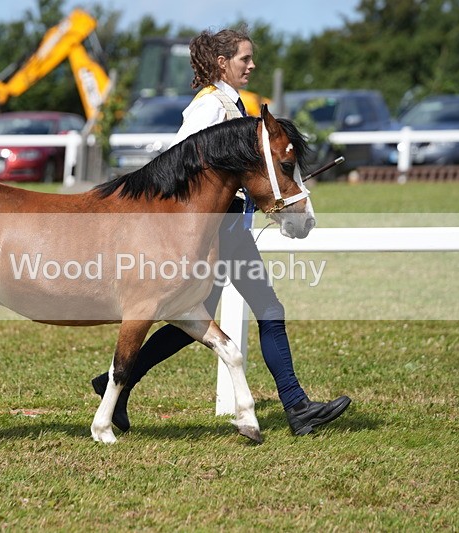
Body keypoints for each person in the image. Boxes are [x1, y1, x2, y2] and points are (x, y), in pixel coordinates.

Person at [92, 27, 351, 436]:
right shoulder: (208, 108)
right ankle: (297, 407)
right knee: (265, 310)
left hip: (227, 228)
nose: (252, 65)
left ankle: (113, 385)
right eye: (244, 59)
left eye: (251, 58)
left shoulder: (233, 105)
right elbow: (178, 166)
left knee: (190, 322)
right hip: (217, 234)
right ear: (221, 64)